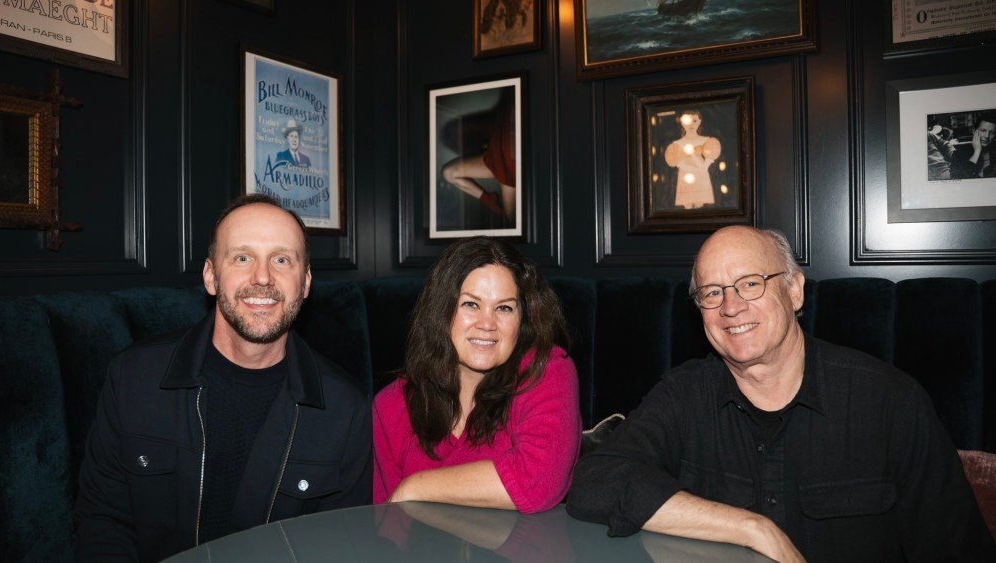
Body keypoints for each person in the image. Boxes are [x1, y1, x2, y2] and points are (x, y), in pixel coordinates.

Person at [567, 226, 995, 562]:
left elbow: (958, 552)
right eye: (712, 293)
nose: (730, 307)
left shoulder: (890, 402)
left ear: (794, 290)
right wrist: (750, 528)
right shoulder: (684, 394)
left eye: (751, 283)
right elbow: (595, 481)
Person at [75, 194, 371, 561]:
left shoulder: (345, 409)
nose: (262, 277)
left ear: (306, 282)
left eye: (281, 259)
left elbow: (338, 547)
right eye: (242, 258)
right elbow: (103, 522)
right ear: (211, 276)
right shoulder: (134, 379)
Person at [373, 237, 580, 513]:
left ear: (522, 319)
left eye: (504, 308)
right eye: (471, 304)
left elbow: (537, 481)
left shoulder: (546, 370)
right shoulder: (392, 405)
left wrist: (415, 488)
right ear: (441, 310)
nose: (487, 324)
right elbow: (386, 526)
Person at [441, 92, 517, 222]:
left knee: (512, 220)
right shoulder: (504, 105)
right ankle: (490, 200)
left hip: (509, 162)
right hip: (495, 155)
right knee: (448, 173)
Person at [663, 110, 721, 209]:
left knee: (700, 204)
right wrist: (687, 158)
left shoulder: (707, 141)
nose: (691, 124)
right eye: (688, 121)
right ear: (682, 123)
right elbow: (677, 162)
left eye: (695, 120)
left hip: (701, 176)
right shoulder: (677, 144)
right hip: (685, 176)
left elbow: (706, 164)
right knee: (687, 204)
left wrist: (696, 160)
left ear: (700, 121)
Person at [951, 113, 996, 180]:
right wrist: (977, 152)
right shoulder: (959, 154)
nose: (987, 136)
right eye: (983, 130)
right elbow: (960, 181)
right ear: (974, 131)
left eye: (992, 132)